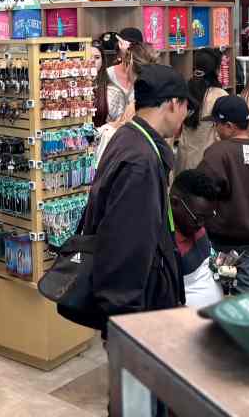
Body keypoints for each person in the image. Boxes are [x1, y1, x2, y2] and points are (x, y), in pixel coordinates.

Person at [83, 64, 186, 334]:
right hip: (135, 315)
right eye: (186, 107)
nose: (185, 116)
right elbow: (125, 245)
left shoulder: (130, 137)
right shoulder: (141, 160)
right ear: (173, 104)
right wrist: (123, 320)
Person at [197, 95, 249, 293]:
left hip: (224, 234)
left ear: (229, 126)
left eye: (216, 124)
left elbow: (201, 190)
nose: (215, 129)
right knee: (244, 278)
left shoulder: (217, 153)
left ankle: (238, 312)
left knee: (220, 283)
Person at [170, 169, 227, 310]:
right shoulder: (163, 243)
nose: (202, 224)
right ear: (174, 203)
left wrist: (219, 266)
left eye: (208, 217)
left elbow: (207, 261)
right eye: (198, 218)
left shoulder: (194, 225)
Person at [178, 48, 229, 172]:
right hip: (208, 161)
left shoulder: (184, 90)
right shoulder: (220, 96)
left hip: (184, 158)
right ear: (216, 70)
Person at [106, 27, 158, 126]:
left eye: (134, 49)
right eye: (128, 48)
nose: (129, 52)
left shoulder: (147, 77)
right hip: (112, 130)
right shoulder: (107, 74)